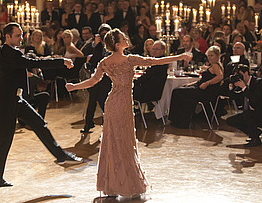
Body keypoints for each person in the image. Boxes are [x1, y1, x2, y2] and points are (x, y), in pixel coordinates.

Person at [66, 28, 191, 198]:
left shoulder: (105, 62)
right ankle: (127, 183)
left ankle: (115, 184)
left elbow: (92, 81)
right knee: (123, 142)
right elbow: (156, 61)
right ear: (118, 45)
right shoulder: (130, 60)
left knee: (115, 142)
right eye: (123, 38)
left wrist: (74, 86)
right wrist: (180, 56)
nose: (126, 38)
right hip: (121, 105)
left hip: (113, 103)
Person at [0, 23, 82, 187]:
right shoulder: (13, 55)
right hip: (7, 102)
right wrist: (62, 61)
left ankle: (61, 155)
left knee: (39, 124)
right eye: (17, 36)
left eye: (21, 35)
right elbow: (37, 64)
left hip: (15, 99)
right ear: (7, 37)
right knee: (5, 140)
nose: (21, 38)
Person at [169, 46, 224, 129]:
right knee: (179, 90)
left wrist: (207, 83)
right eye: (208, 55)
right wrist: (191, 84)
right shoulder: (212, 65)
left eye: (212, 55)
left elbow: (220, 77)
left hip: (204, 92)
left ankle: (179, 120)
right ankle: (179, 119)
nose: (209, 57)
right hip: (200, 88)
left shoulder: (216, 65)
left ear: (217, 56)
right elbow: (202, 79)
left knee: (177, 92)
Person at [226, 64, 262, 147]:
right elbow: (233, 97)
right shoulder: (242, 84)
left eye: (240, 75)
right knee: (230, 120)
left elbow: (254, 99)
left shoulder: (259, 82)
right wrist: (231, 87)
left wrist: (244, 87)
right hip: (251, 114)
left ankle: (256, 139)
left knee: (247, 114)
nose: (239, 77)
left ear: (246, 73)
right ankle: (255, 132)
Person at [80, 24, 113, 133]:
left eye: (106, 34)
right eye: (102, 34)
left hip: (108, 77)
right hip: (96, 75)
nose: (104, 37)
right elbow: (84, 52)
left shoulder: (113, 45)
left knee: (104, 100)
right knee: (92, 99)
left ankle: (108, 123)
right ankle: (88, 123)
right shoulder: (96, 45)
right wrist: (95, 43)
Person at [133, 40, 168, 107]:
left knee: (125, 88)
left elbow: (144, 78)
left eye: (157, 49)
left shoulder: (157, 63)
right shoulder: (163, 62)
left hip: (147, 94)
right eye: (153, 48)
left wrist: (132, 81)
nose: (154, 51)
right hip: (155, 94)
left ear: (163, 51)